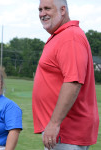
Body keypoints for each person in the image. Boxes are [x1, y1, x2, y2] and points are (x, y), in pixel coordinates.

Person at [32, 0, 99, 150]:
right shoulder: (62, 36)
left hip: (67, 132)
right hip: (62, 133)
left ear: (63, 10)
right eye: (40, 9)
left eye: (47, 8)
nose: (42, 14)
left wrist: (54, 123)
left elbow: (73, 82)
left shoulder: (70, 37)